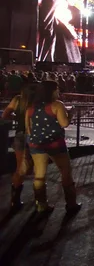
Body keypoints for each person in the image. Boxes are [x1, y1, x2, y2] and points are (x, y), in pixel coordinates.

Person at [25, 80, 81, 213]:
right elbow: (64, 123)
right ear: (51, 91)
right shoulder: (57, 105)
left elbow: (28, 129)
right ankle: (71, 204)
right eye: (56, 89)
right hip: (55, 143)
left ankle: (41, 205)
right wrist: (71, 113)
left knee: (39, 174)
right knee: (65, 172)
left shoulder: (31, 107)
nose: (58, 92)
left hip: (37, 143)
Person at [2, 82, 37, 211]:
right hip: (35, 137)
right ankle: (39, 198)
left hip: (20, 135)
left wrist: (17, 119)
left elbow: (5, 114)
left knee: (20, 167)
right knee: (36, 166)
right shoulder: (38, 102)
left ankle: (15, 199)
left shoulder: (17, 100)